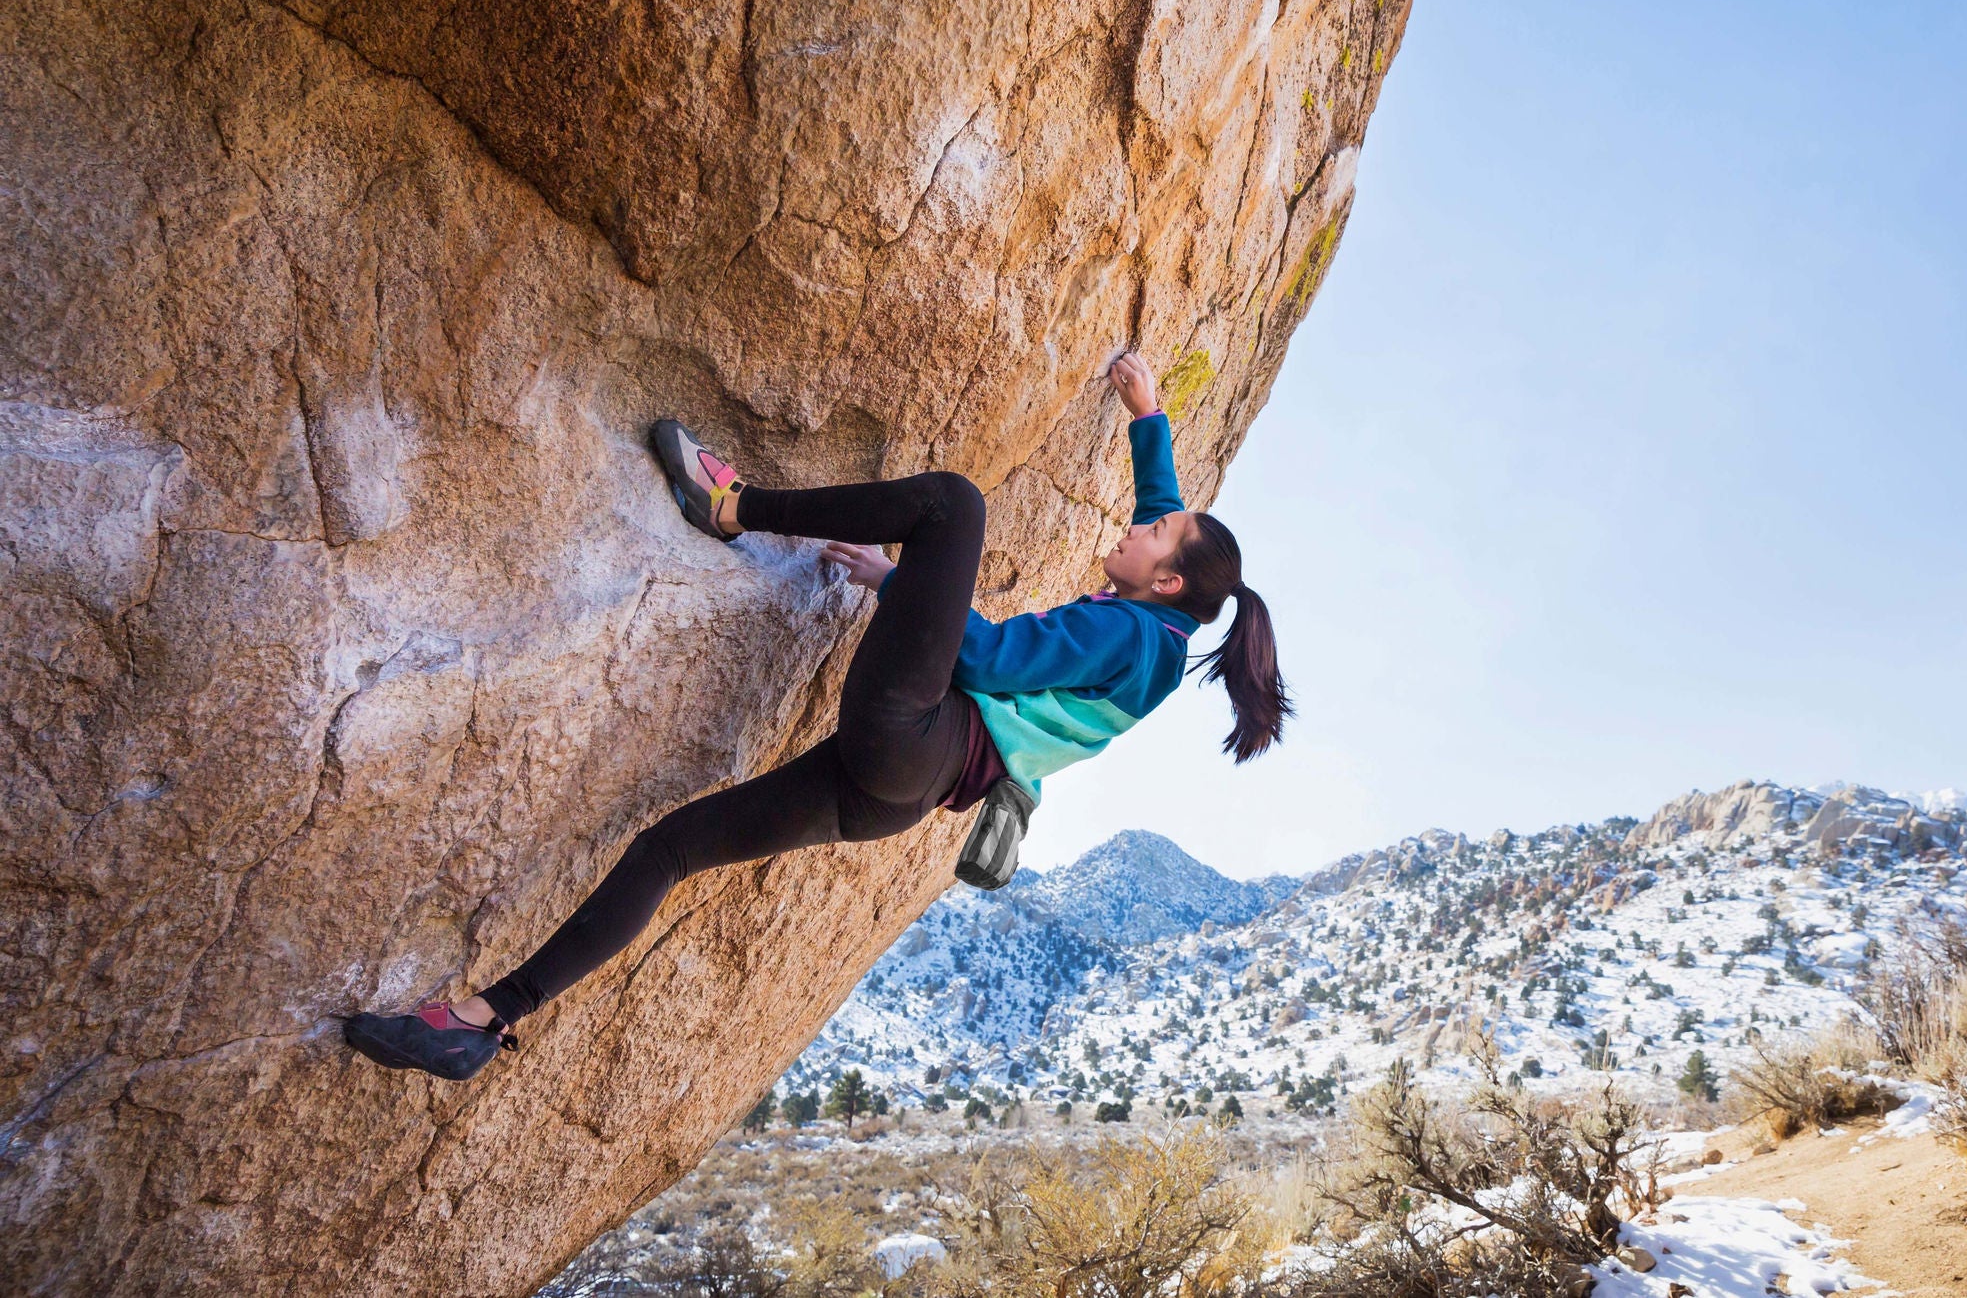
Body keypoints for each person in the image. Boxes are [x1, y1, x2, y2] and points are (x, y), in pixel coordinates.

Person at [342, 350, 1290, 1079]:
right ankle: (483, 1019)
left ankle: (731, 504)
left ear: (1166, 579)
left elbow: (990, 657)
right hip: (895, 797)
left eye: (1155, 533)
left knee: (953, 506)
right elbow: (1168, 515)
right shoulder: (1163, 628)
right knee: (669, 849)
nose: (1139, 521)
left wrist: (904, 581)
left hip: (921, 734)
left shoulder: (1130, 637)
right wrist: (1149, 415)